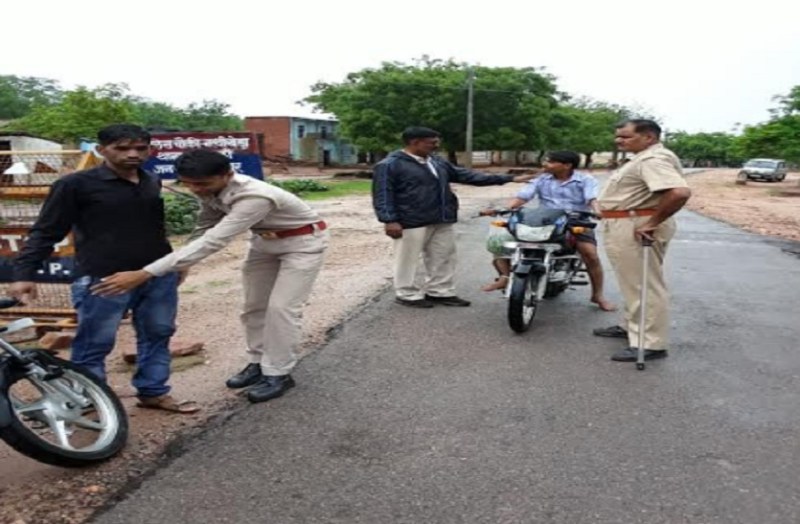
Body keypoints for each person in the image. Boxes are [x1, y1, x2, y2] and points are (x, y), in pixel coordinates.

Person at [91, 149, 328, 404]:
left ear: (227, 175)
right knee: (254, 308)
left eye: (202, 184)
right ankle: (258, 363)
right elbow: (205, 227)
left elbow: (216, 240)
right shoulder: (210, 190)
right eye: (188, 183)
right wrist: (182, 265)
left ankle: (279, 373)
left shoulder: (254, 196)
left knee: (281, 309)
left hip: (302, 243)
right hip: (264, 243)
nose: (195, 189)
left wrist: (145, 273)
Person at [9, 124, 199, 414]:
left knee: (158, 333)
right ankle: (90, 401)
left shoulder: (150, 180)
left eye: (140, 148)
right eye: (122, 148)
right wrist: (24, 274)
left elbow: (155, 229)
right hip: (103, 278)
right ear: (101, 150)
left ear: (150, 150)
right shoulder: (75, 185)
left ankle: (153, 391)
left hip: (155, 275)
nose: (133, 154)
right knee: (94, 343)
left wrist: (174, 263)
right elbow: (46, 231)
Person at [372, 126, 532, 308]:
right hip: (410, 220)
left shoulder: (436, 162)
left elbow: (465, 175)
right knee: (407, 259)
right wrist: (389, 220)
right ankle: (407, 294)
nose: (436, 146)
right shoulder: (390, 165)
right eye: (431, 142)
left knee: (443, 256)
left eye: (436, 142)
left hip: (441, 217)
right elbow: (382, 194)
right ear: (414, 142)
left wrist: (507, 179)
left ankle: (440, 291)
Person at [594, 119, 691, 362]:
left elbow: (678, 192)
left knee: (644, 285)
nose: (619, 141)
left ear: (648, 137)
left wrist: (651, 222)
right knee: (632, 282)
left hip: (636, 223)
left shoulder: (653, 160)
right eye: (618, 136)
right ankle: (631, 326)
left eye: (625, 137)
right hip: (625, 222)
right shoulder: (641, 158)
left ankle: (650, 343)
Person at [479, 151, 616, 312]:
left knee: (590, 254)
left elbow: (591, 199)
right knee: (500, 243)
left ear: (567, 165)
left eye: (550, 162)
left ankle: (597, 295)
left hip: (575, 219)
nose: (545, 165)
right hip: (544, 219)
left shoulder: (585, 180)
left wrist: (597, 211)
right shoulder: (541, 179)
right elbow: (523, 197)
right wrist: (504, 208)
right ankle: (505, 276)